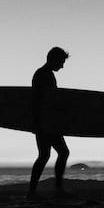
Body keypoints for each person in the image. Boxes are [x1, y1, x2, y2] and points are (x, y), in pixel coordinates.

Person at [28, 46, 71, 199]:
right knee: (61, 152)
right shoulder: (43, 75)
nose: (62, 65)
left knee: (44, 155)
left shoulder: (45, 74)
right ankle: (56, 189)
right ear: (52, 59)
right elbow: (38, 100)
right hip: (46, 123)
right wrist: (38, 123)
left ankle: (32, 192)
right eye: (61, 62)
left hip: (46, 122)